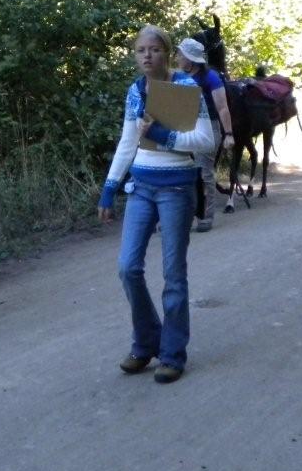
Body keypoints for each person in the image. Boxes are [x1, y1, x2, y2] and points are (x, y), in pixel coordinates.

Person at [98, 25, 215, 384]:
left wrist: (163, 136)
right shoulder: (135, 91)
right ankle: (147, 341)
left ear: (167, 52)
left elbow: (206, 141)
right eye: (140, 50)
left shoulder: (186, 87)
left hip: (177, 188)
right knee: (127, 268)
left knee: (173, 274)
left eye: (155, 49)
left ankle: (172, 354)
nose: (147, 56)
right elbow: (127, 142)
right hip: (141, 186)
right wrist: (109, 187)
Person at [176, 37, 234, 232]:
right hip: (183, 128)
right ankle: (180, 216)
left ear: (190, 59)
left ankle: (205, 217)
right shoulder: (178, 77)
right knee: (179, 172)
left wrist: (228, 134)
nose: (177, 58)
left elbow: (222, 108)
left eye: (180, 55)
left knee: (203, 173)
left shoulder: (211, 78)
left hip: (208, 129)